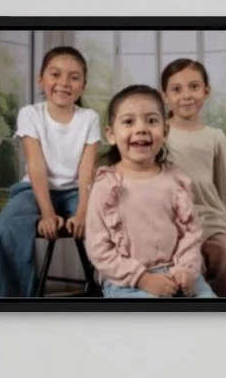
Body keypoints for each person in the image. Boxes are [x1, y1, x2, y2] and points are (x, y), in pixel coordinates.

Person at [0, 46, 101, 298]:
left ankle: (114, 288)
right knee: (4, 229)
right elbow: (36, 164)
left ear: (83, 86)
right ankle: (10, 300)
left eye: (74, 77)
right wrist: (48, 213)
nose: (64, 83)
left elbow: (87, 169)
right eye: (55, 74)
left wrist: (83, 212)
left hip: (77, 191)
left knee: (108, 222)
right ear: (41, 79)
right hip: (34, 189)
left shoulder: (89, 118)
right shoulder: (30, 114)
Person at [84, 86, 214, 300]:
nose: (141, 129)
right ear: (111, 134)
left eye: (151, 121)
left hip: (177, 272)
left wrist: (185, 268)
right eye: (128, 122)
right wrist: (143, 279)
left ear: (165, 131)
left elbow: (191, 232)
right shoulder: (105, 185)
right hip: (127, 282)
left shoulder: (175, 179)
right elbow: (98, 248)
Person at [160, 58, 226, 299]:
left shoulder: (215, 137)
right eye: (176, 89)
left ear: (206, 91)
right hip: (169, 219)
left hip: (210, 219)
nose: (186, 95)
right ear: (165, 96)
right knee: (187, 265)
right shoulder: (159, 134)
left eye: (194, 87)